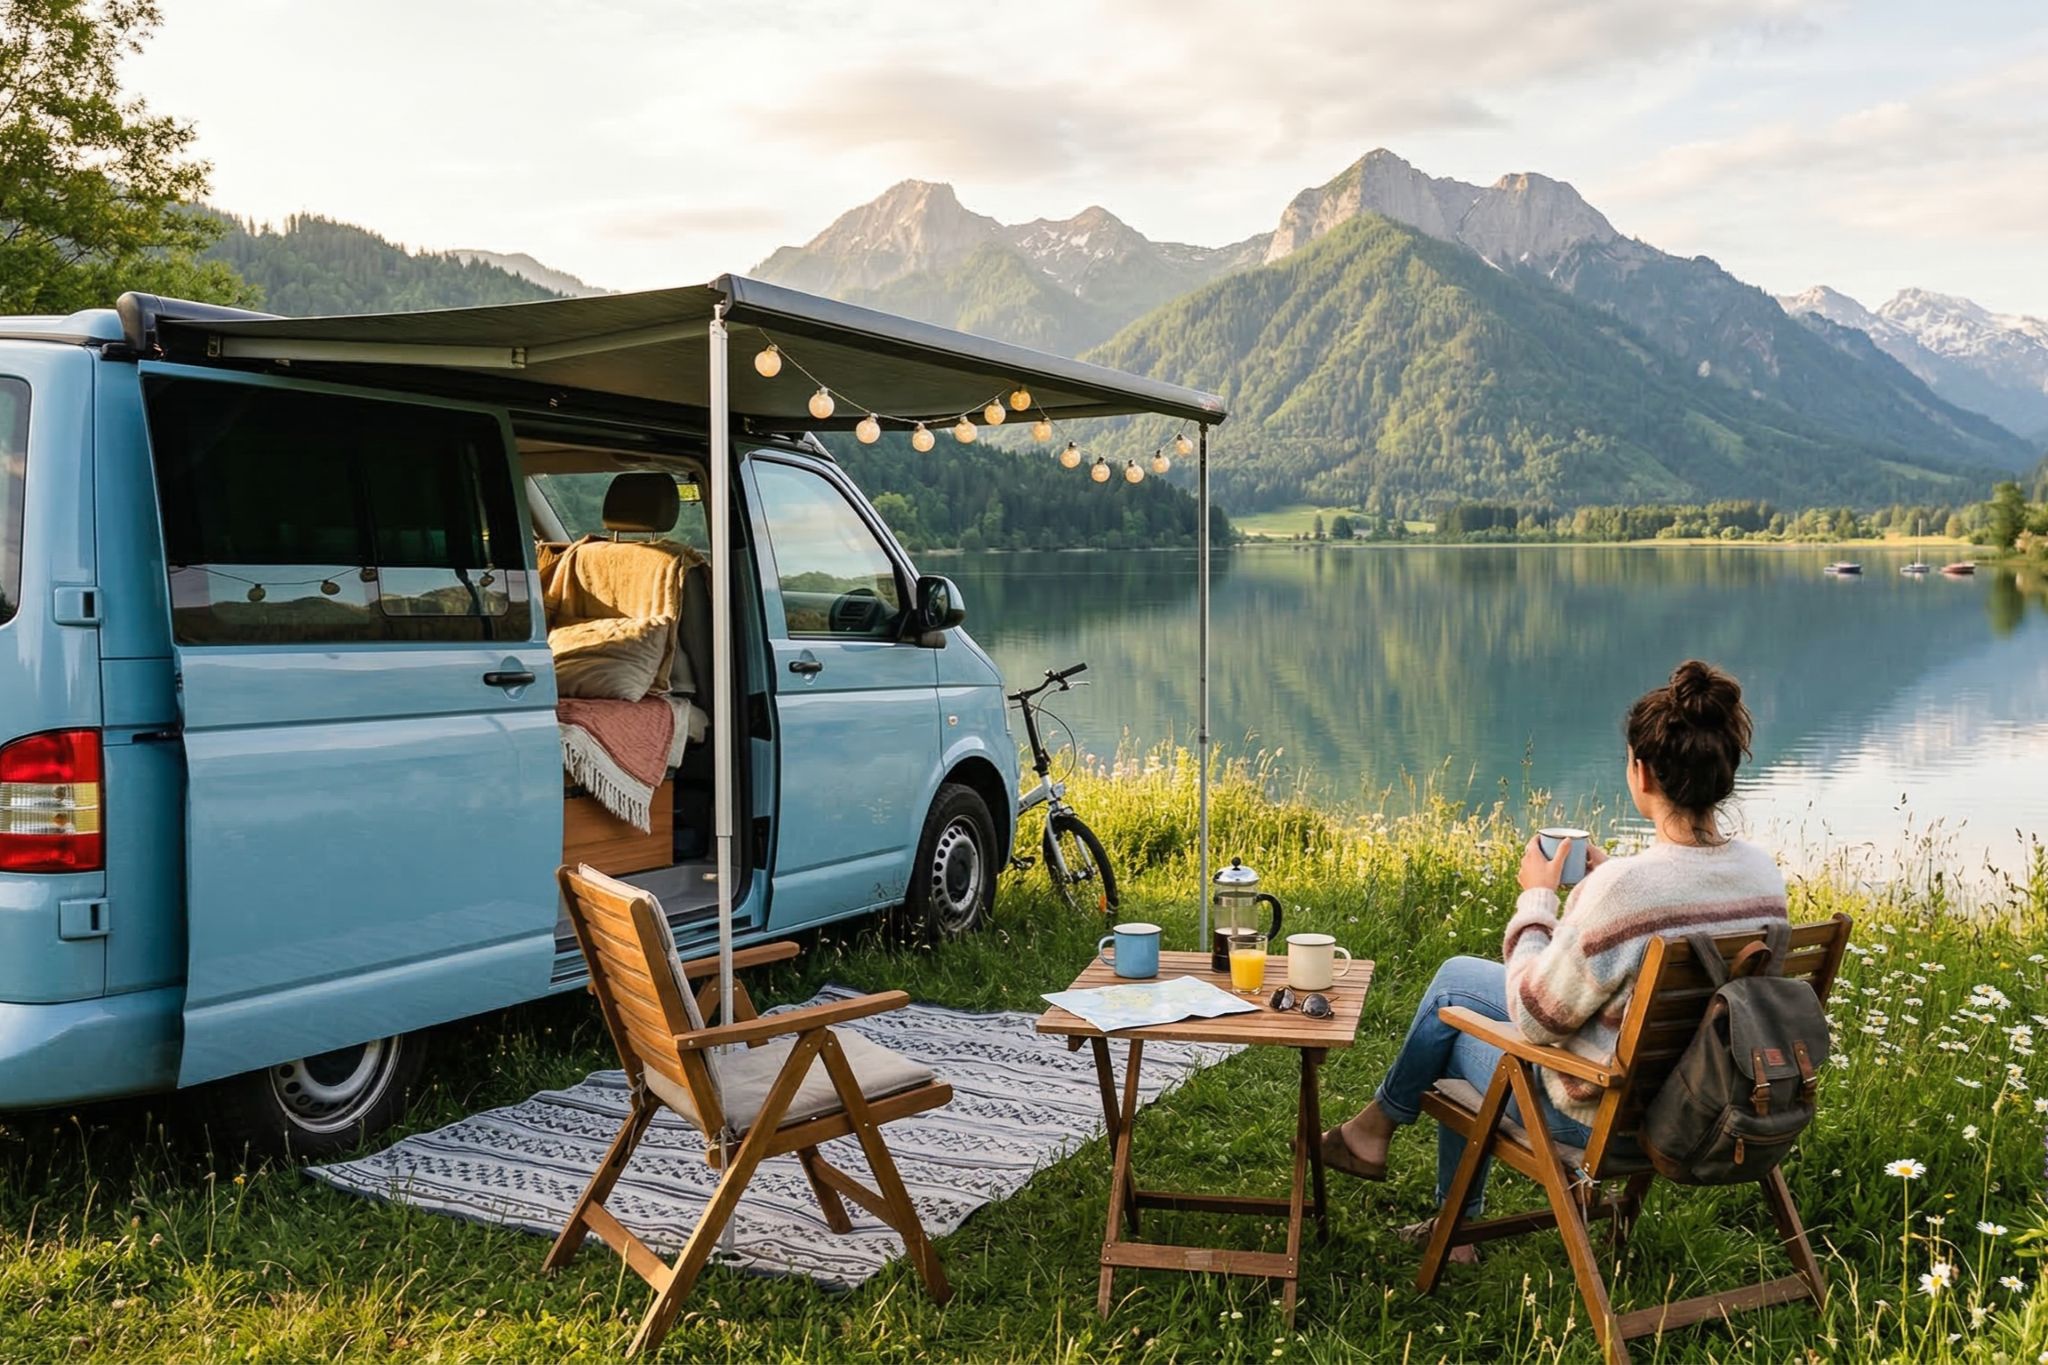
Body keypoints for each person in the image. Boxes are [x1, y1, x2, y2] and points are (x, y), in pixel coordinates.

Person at [1322, 659, 1789, 1262]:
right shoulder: (1762, 876)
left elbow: (1537, 1018)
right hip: (1708, 1100)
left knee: (1450, 1023)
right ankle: (1378, 1140)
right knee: (1458, 978)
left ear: (1640, 772)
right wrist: (1606, 887)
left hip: (1611, 1119)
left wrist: (1538, 901)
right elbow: (1687, 910)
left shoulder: (1624, 892)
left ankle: (1416, 1183)